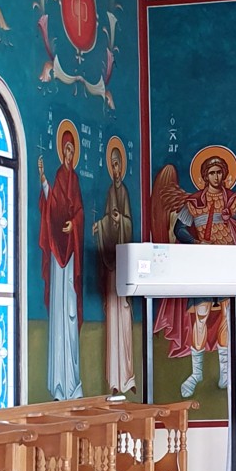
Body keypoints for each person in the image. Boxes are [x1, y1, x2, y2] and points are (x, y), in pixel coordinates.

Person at [151, 153, 236, 398]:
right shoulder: (193, 202)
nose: (216, 177)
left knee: (228, 317)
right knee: (201, 316)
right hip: (203, 265)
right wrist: (197, 242)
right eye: (212, 173)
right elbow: (179, 229)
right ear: (205, 176)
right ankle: (196, 374)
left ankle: (226, 376)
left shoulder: (234, 201)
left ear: (224, 175)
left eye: (219, 172)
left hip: (229, 265)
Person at [38, 129, 84, 400]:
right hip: (58, 252)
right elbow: (52, 205)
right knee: (59, 310)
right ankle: (58, 383)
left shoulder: (75, 180)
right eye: (66, 149)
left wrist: (74, 224)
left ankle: (73, 384)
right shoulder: (58, 176)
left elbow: (79, 211)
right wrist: (44, 181)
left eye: (71, 150)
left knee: (70, 310)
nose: (69, 154)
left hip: (71, 251)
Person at [92, 141, 135, 394]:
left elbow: (128, 223)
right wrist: (102, 224)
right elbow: (110, 217)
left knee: (124, 312)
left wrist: (120, 220)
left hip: (123, 263)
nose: (116, 169)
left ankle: (127, 376)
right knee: (112, 313)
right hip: (112, 262)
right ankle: (114, 380)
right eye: (113, 164)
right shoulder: (110, 191)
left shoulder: (124, 191)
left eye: (118, 164)